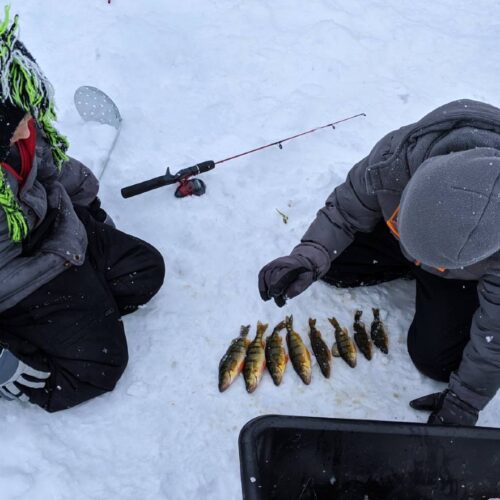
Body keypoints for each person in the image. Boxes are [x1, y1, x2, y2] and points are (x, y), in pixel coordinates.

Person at [259, 98, 500, 426]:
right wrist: (308, 255)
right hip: (404, 236)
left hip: (461, 276)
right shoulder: (396, 159)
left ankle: (453, 288)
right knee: (332, 265)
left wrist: (465, 400)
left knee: (439, 362)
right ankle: (409, 251)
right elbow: (346, 210)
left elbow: (496, 333)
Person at [0, 7, 165, 412]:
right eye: (15, 121)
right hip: (16, 281)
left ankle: (74, 315)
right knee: (99, 366)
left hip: (55, 236)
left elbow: (52, 168)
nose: (26, 128)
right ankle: (20, 342)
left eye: (27, 114)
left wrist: (88, 204)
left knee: (144, 270)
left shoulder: (22, 129)